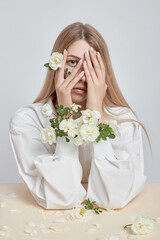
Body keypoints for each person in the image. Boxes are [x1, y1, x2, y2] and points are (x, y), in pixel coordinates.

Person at [9, 22, 151, 210]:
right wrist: (65, 117)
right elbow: (61, 198)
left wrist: (95, 113)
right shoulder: (27, 121)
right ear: (56, 65)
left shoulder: (123, 120)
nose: (82, 75)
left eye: (92, 65)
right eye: (73, 62)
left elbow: (112, 198)